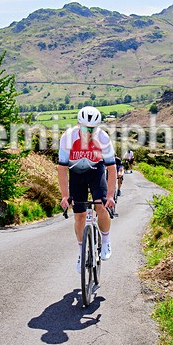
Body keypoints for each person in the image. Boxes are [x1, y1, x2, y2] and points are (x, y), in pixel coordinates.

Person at [58, 106, 117, 273]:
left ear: (96, 128)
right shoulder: (67, 138)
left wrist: (111, 196)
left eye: (92, 129)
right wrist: (65, 195)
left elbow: (111, 168)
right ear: (78, 125)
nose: (88, 132)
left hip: (95, 171)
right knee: (79, 215)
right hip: (75, 173)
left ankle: (105, 241)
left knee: (101, 205)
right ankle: (81, 253)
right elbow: (62, 168)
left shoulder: (103, 139)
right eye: (84, 128)